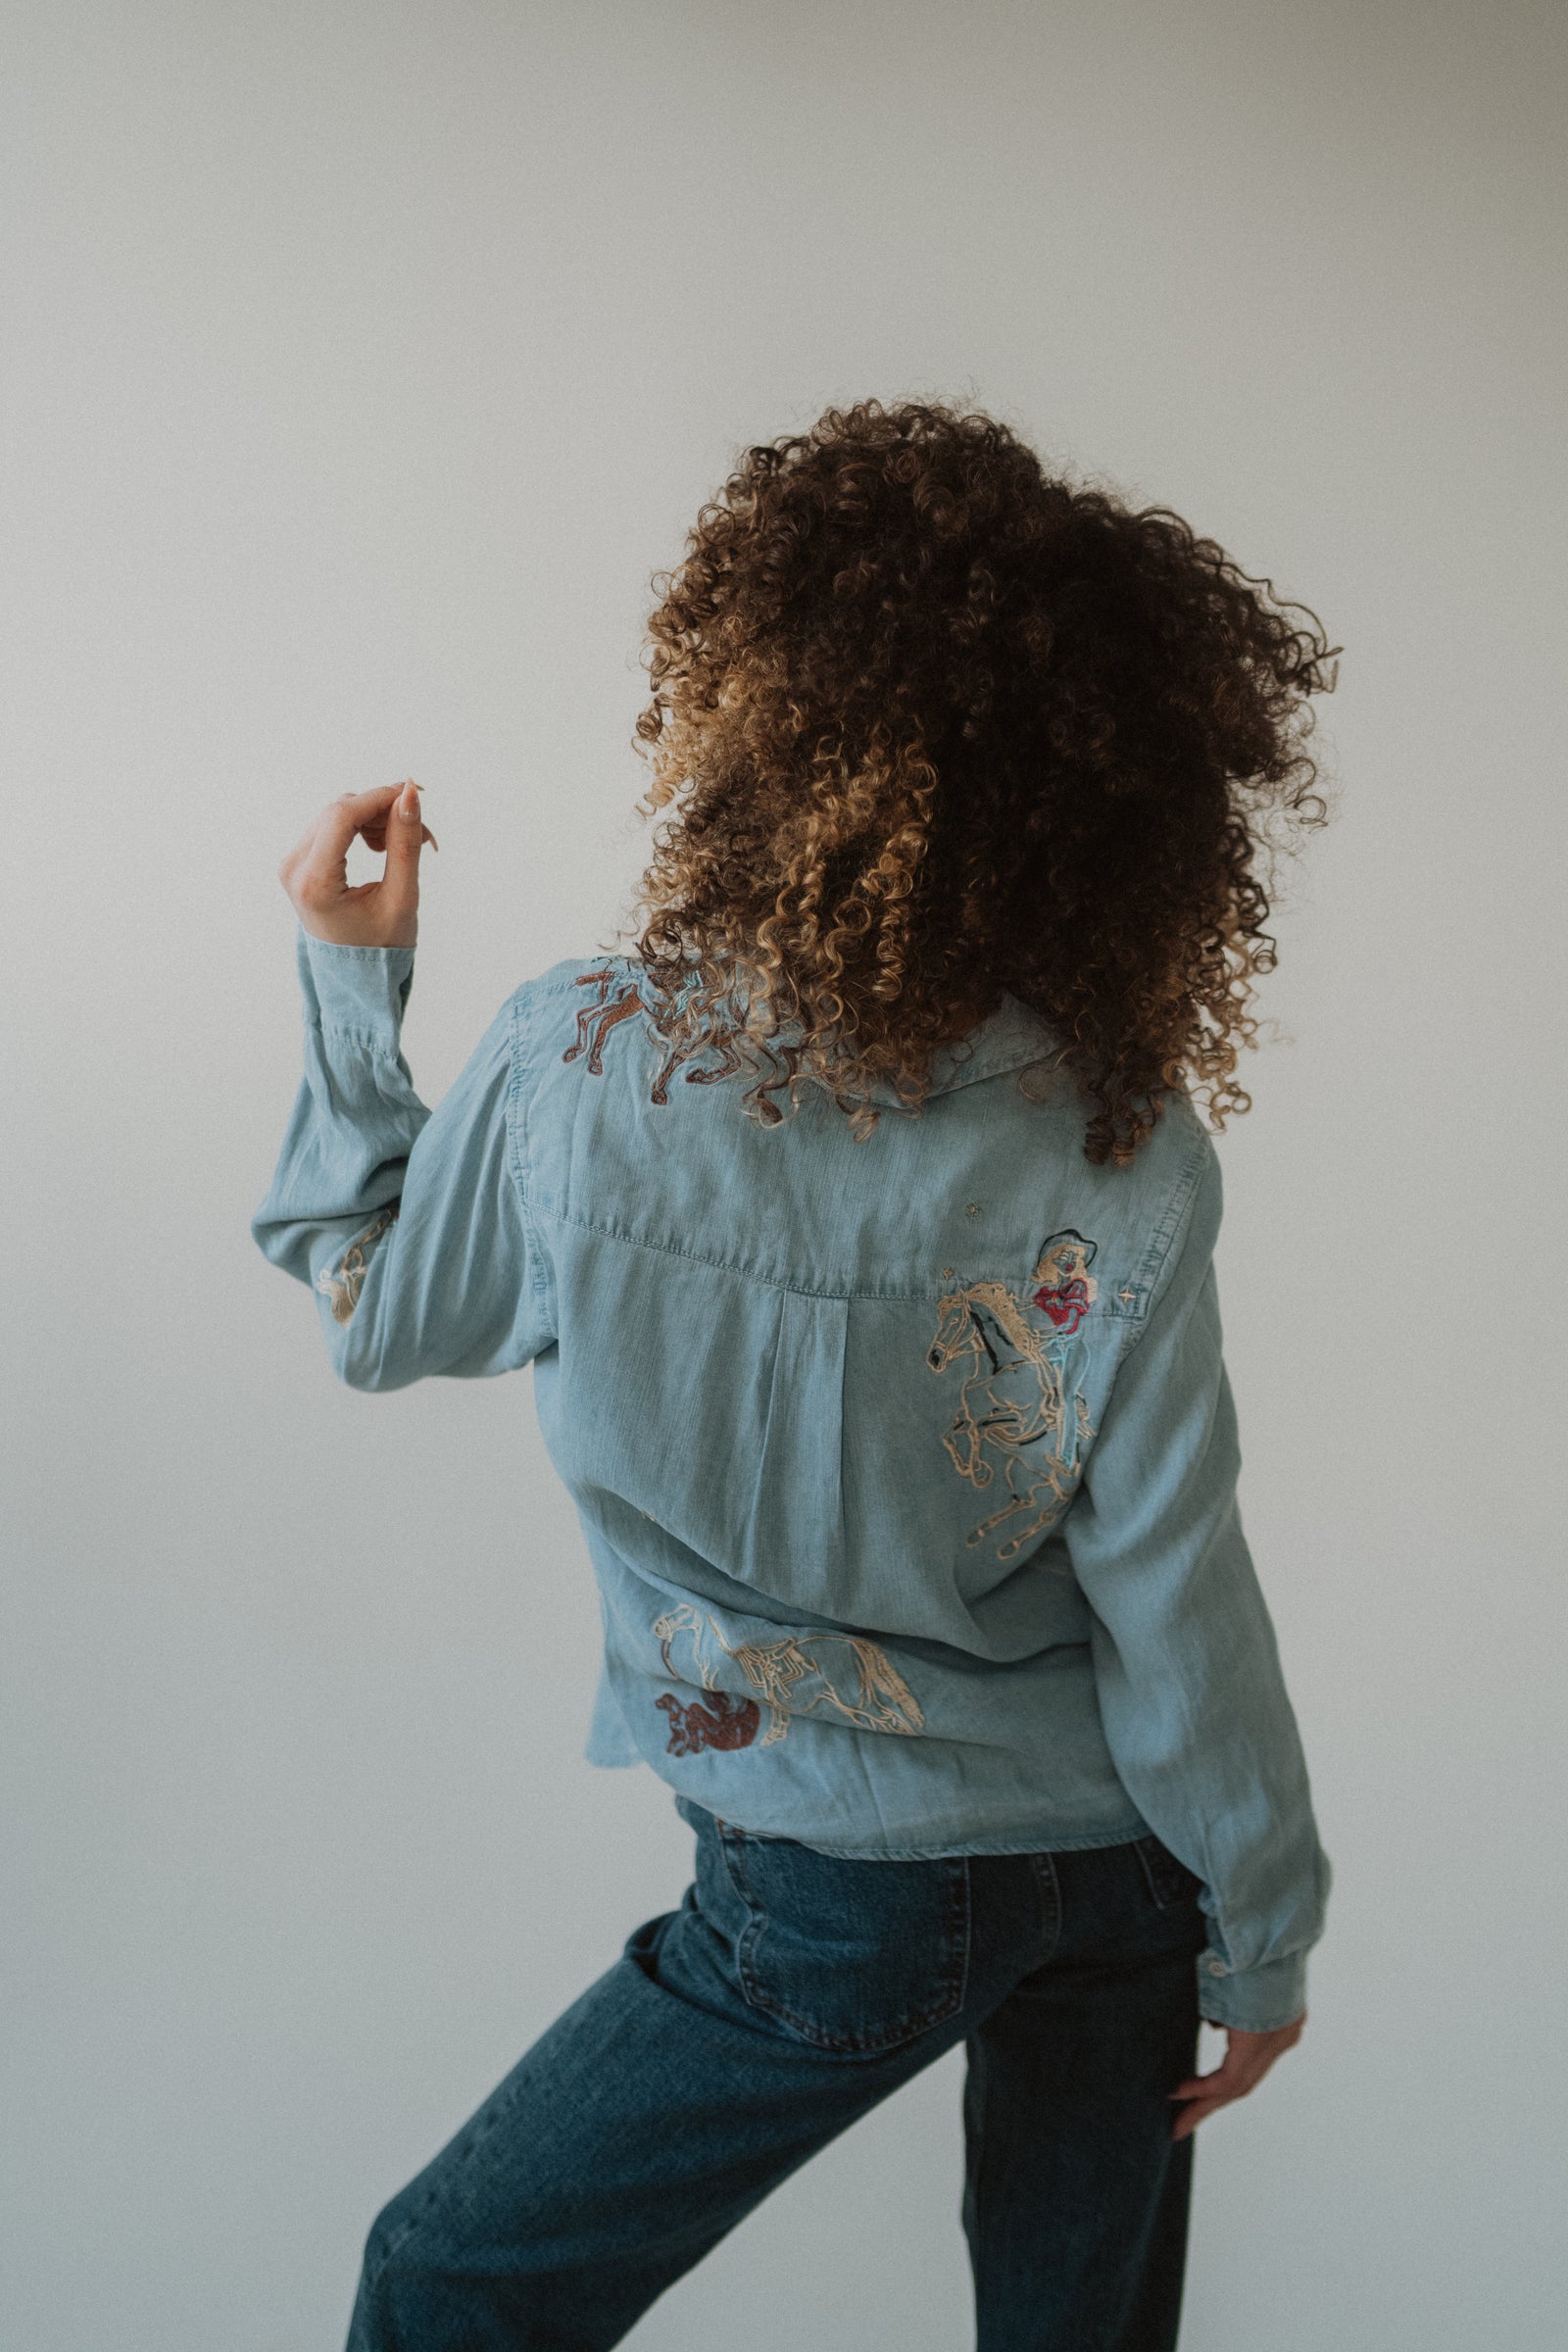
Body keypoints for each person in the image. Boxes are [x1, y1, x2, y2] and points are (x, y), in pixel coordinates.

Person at [254, 400, 1335, 2352]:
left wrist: (351, 990)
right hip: (1118, 1884)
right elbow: (1177, 1594)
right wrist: (1260, 1934)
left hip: (833, 1880)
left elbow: (379, 1319)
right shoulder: (1118, 1134)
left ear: (752, 715)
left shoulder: (579, 1063)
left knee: (447, 2288)